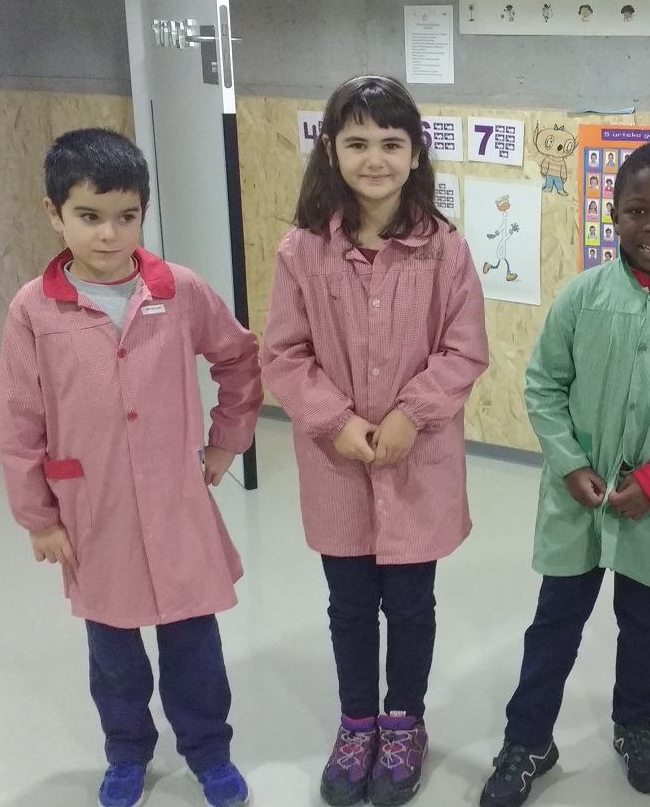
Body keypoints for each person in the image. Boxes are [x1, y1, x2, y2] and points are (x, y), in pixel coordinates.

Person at [0, 128, 261, 807]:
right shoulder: (33, 309)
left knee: (194, 643)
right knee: (113, 653)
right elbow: (18, 421)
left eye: (126, 216)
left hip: (176, 503)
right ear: (54, 213)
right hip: (95, 510)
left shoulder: (180, 290)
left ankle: (209, 751)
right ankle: (127, 752)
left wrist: (227, 441)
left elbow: (238, 359)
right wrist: (38, 518)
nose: (109, 234)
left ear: (144, 212)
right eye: (89, 215)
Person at [479, 142, 650, 807]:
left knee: (647, 622)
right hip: (579, 498)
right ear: (614, 216)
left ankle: (636, 726)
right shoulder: (583, 296)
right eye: (637, 210)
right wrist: (570, 464)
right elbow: (544, 385)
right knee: (555, 623)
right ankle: (527, 740)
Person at [263, 75, 489, 807]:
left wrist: (410, 415)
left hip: (418, 464)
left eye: (392, 143)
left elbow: (464, 350)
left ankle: (404, 723)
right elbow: (284, 354)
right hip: (337, 468)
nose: (375, 159)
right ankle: (357, 722)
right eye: (357, 142)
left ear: (416, 152)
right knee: (351, 605)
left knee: (413, 605)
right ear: (330, 150)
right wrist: (335, 419)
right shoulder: (302, 251)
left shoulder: (446, 250)